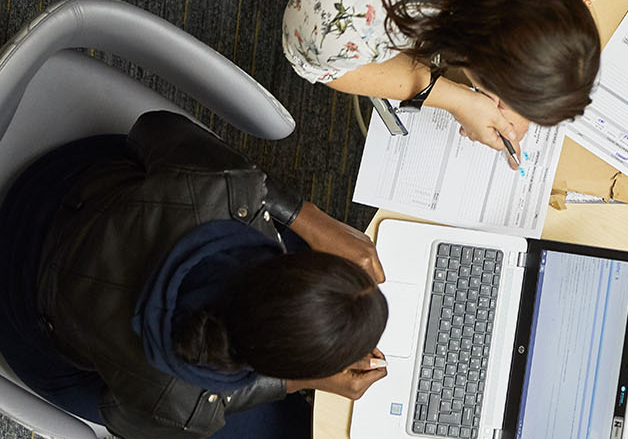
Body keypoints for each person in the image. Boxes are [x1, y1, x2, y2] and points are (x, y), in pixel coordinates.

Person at [0, 111, 392, 439]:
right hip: (24, 316)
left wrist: (308, 221)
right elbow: (119, 417)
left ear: (286, 260)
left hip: (52, 196)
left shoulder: (222, 188)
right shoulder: (181, 408)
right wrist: (303, 382)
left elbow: (151, 128)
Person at [222, 0, 601, 169]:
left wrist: (531, 68)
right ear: (472, 59)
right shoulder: (346, 20)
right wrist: (456, 101)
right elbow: (320, 64)